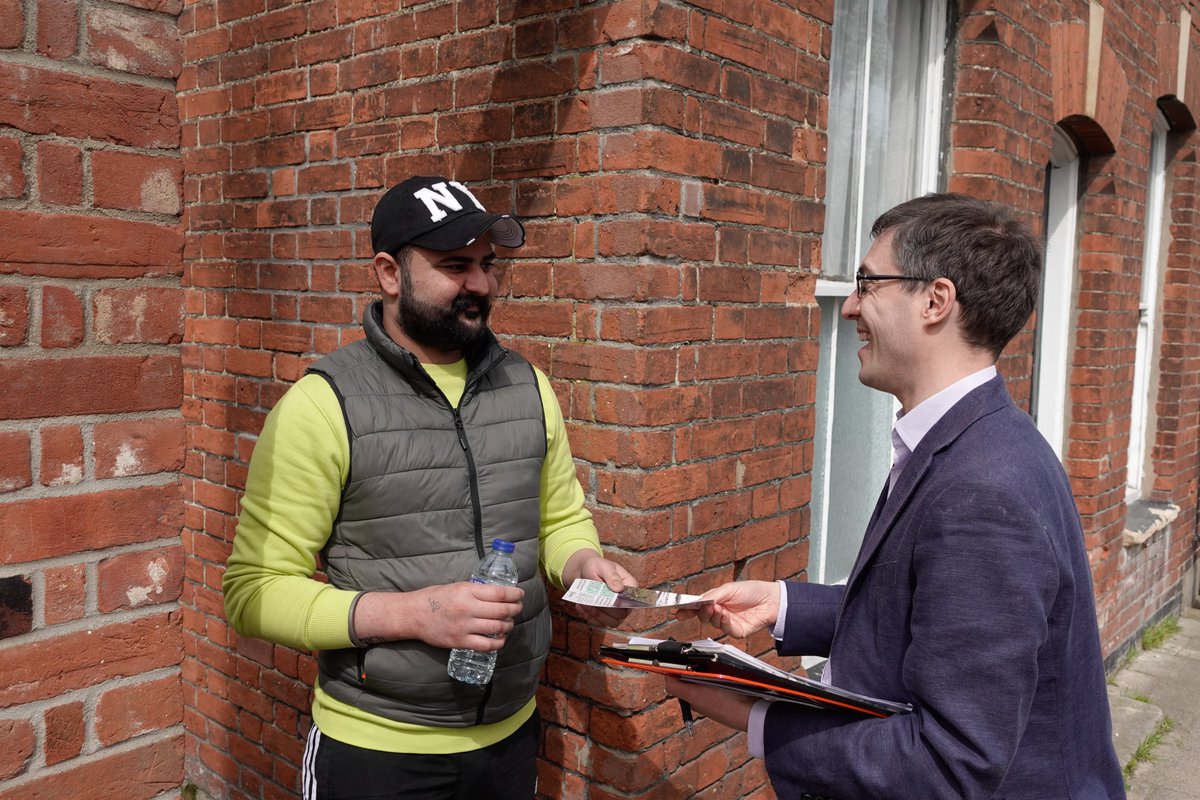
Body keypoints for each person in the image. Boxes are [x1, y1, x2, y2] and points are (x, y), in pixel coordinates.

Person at [668, 193, 1126, 799]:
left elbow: (948, 764)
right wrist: (781, 606)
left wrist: (753, 716)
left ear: (936, 300)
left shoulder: (983, 490)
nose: (851, 304)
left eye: (867, 281)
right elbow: (926, 614)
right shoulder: (971, 441)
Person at [223, 175, 636, 799]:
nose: (481, 284)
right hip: (375, 748)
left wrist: (584, 563)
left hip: (510, 737)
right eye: (454, 265)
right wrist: (416, 614)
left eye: (487, 265)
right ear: (389, 273)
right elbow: (251, 593)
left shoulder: (528, 387)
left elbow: (558, 520)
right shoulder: (322, 405)